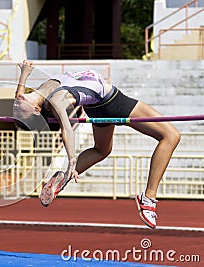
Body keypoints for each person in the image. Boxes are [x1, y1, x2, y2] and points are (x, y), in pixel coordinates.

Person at [13, 60, 180, 229]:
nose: (16, 105)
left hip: (95, 106)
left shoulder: (39, 91)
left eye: (15, 108)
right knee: (171, 136)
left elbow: (19, 96)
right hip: (113, 102)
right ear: (36, 110)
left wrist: (24, 74)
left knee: (102, 150)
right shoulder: (56, 101)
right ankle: (148, 199)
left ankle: (63, 178)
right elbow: (67, 130)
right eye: (19, 111)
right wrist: (72, 160)